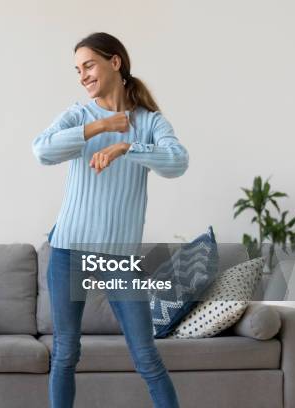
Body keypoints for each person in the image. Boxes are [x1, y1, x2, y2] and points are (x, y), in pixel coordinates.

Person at [32, 32, 189, 408]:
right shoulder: (79, 115)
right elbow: (41, 151)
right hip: (69, 250)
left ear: (114, 62)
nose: (83, 75)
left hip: (118, 257)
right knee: (66, 354)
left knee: (146, 357)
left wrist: (127, 147)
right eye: (78, 70)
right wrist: (101, 127)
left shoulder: (149, 123)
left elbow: (178, 161)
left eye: (88, 65)